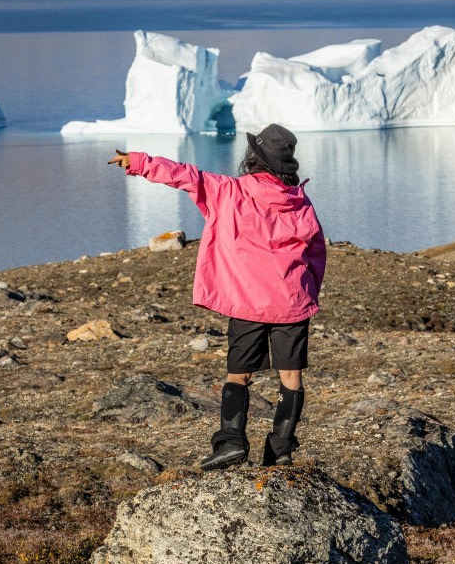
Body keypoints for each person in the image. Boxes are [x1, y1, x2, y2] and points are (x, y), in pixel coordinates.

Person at [107, 123, 326, 470]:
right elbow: (316, 252)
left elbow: (185, 176)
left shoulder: (231, 191)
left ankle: (231, 442)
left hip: (249, 302)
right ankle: (281, 450)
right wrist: (306, 289)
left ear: (255, 159)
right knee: (291, 377)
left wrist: (138, 162)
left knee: (239, 375)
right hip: (292, 302)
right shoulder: (299, 201)